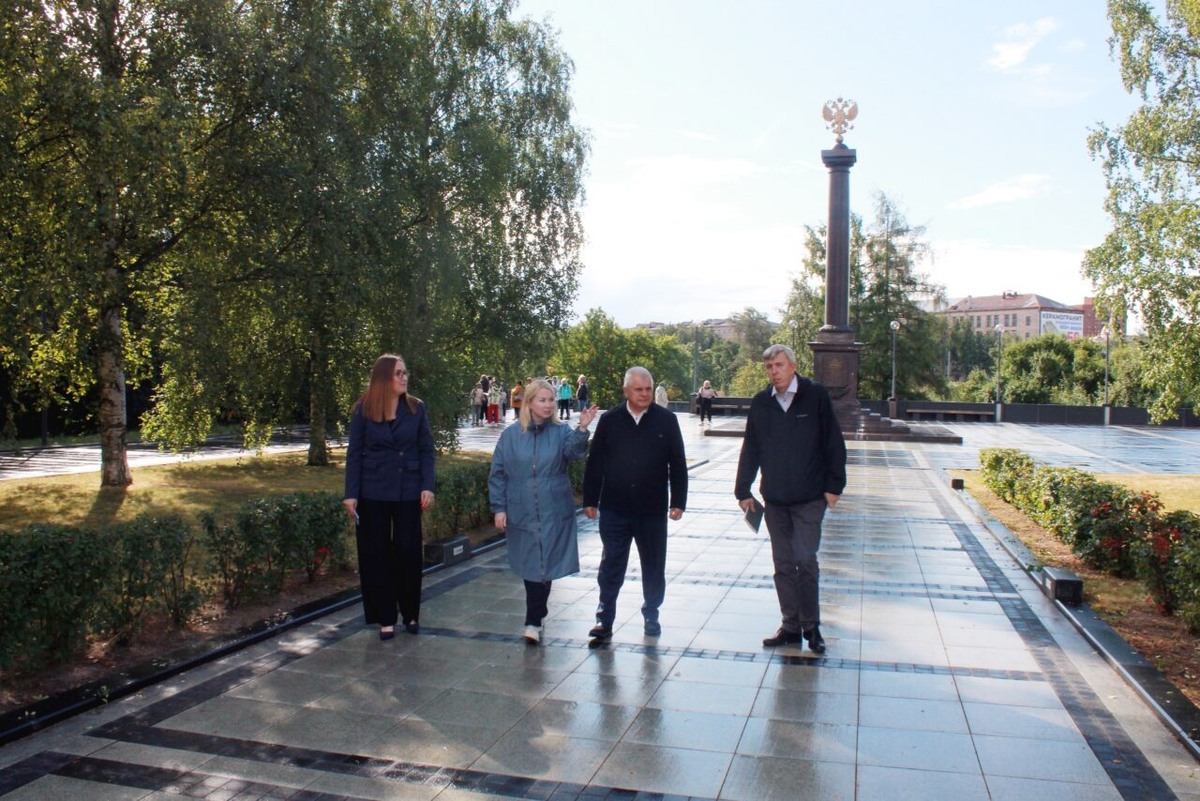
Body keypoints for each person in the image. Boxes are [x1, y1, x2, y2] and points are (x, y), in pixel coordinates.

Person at [734, 344, 846, 654]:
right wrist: (743, 490)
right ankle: (790, 626)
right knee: (783, 563)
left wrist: (834, 485)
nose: (774, 372)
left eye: (779, 365)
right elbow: (751, 448)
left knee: (804, 559)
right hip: (776, 500)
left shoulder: (816, 395)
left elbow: (833, 441)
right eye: (769, 367)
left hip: (810, 497)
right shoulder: (761, 403)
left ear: (793, 366)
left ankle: (811, 627)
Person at [489, 379, 598, 643]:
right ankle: (536, 615)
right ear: (529, 403)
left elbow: (574, 453)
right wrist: (499, 508)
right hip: (522, 509)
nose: (548, 405)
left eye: (551, 400)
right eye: (543, 400)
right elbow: (498, 473)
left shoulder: (561, 433)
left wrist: (582, 428)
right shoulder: (510, 436)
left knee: (545, 562)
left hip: (553, 508)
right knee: (531, 563)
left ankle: (533, 619)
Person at [583, 367, 688, 639]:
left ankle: (651, 613)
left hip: (651, 511)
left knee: (653, 565)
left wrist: (678, 501)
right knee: (611, 565)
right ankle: (604, 619)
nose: (644, 394)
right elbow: (595, 463)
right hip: (615, 509)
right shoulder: (610, 420)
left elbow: (677, 462)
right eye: (639, 390)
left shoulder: (666, 420)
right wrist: (590, 499)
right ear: (626, 391)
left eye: (648, 389)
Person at [343, 354, 436, 641]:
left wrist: (427, 485)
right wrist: (351, 494)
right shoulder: (364, 409)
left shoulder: (416, 408)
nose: (404, 377)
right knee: (376, 555)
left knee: (408, 552)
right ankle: (385, 616)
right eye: (398, 373)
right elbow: (354, 453)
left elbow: (426, 450)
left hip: (408, 490)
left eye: (405, 372)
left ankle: (410, 614)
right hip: (373, 491)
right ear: (384, 377)